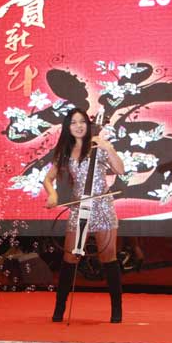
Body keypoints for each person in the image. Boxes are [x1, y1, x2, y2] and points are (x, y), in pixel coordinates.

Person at [43, 108, 126, 323]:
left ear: (88, 125)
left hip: (102, 207)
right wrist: (52, 195)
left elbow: (120, 170)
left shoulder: (98, 146)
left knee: (108, 257)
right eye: (73, 122)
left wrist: (107, 147)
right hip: (79, 207)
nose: (78, 126)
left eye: (82, 122)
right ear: (67, 127)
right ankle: (59, 309)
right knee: (70, 258)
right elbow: (48, 179)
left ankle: (116, 311)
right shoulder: (65, 151)